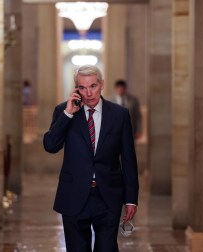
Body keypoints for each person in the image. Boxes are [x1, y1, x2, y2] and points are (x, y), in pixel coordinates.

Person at [43, 65, 139, 251]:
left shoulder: (119, 115)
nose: (88, 93)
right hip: (73, 196)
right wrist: (68, 114)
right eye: (82, 88)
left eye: (93, 86)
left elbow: (128, 159)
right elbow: (50, 146)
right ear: (76, 89)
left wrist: (131, 199)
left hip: (107, 197)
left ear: (102, 84)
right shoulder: (64, 111)